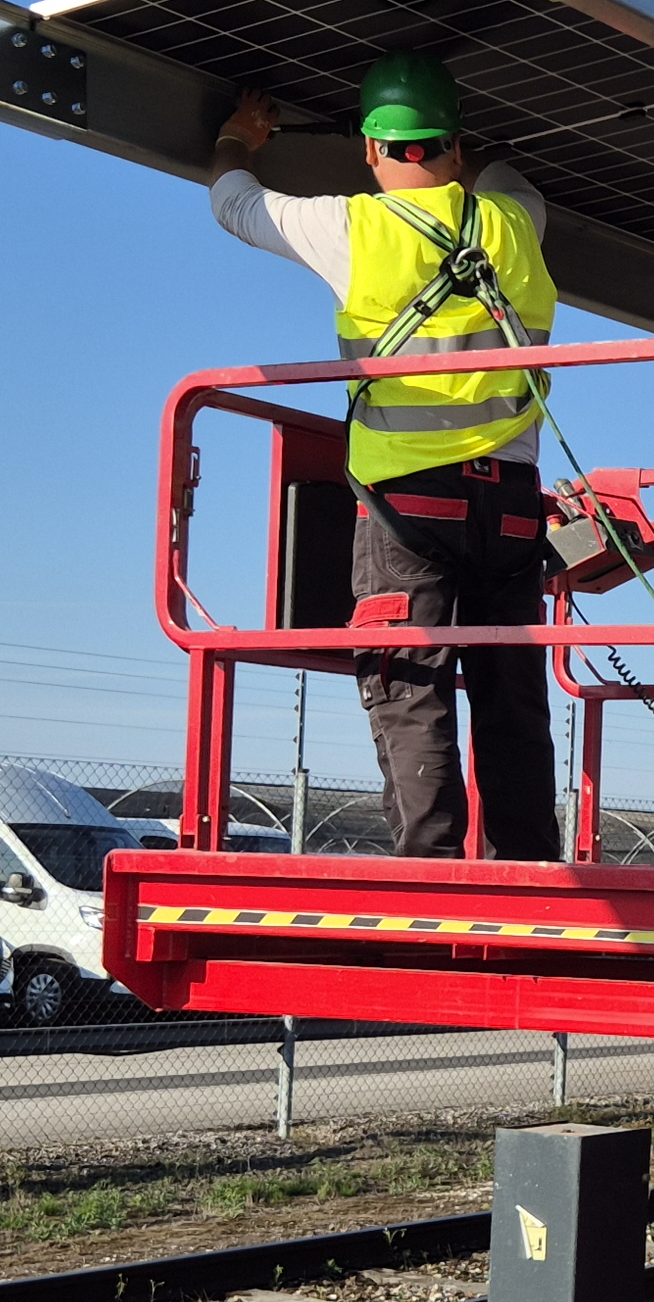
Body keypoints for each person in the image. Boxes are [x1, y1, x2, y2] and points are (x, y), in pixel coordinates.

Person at [210, 49, 563, 863]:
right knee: (511, 695)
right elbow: (516, 180)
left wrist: (238, 134)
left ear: (371, 149)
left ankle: (433, 878)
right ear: (457, 145)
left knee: (411, 690)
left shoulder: (351, 226)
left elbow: (233, 202)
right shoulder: (518, 221)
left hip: (408, 506)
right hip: (512, 503)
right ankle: (531, 871)